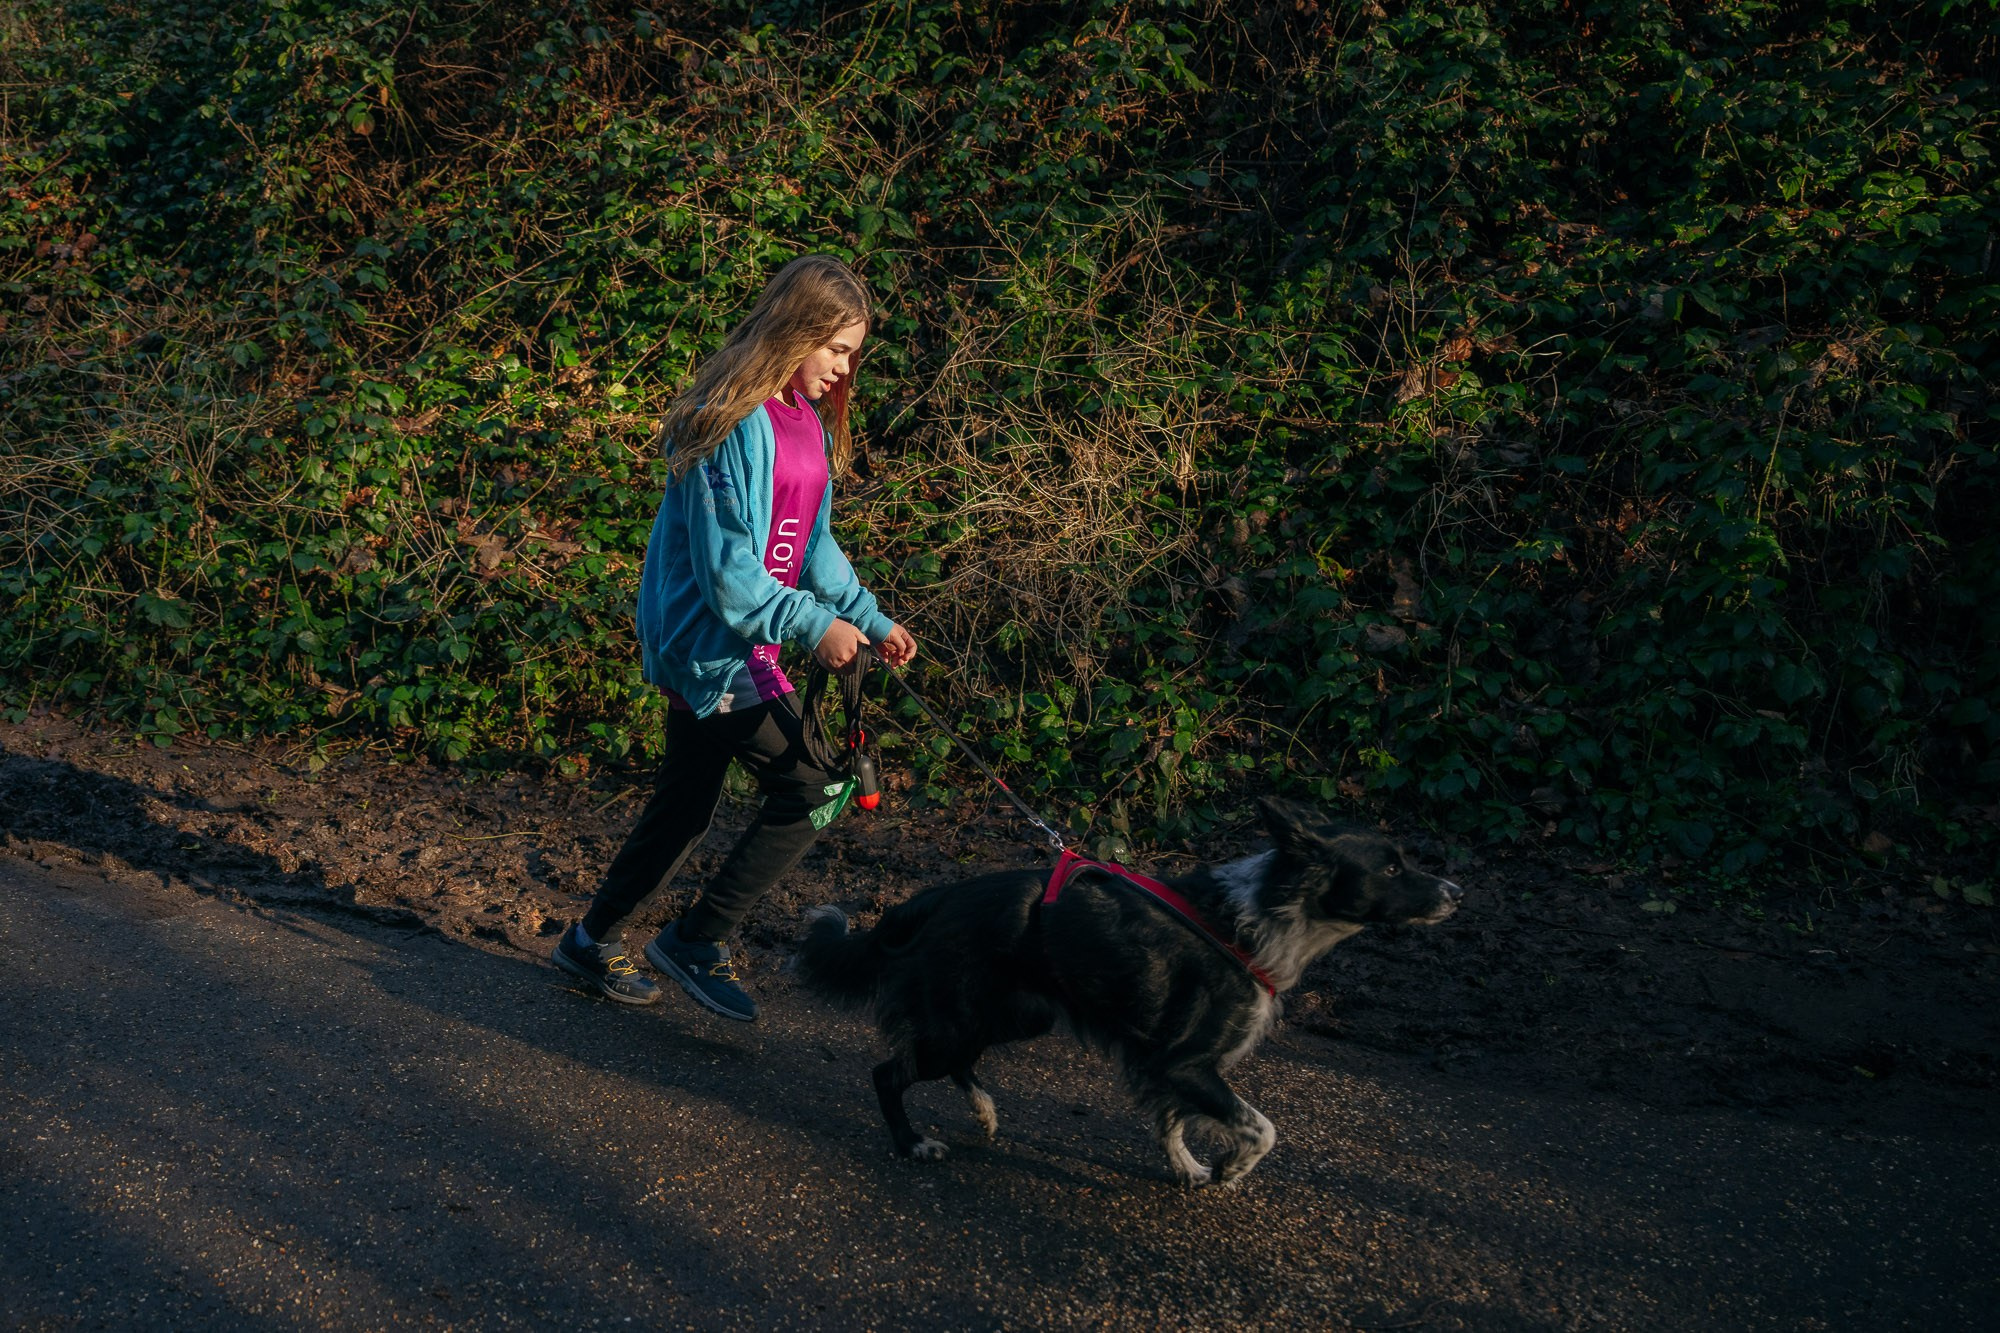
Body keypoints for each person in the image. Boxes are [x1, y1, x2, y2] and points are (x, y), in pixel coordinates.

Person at [551, 254, 916, 1022]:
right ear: (799, 329)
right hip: (712, 646)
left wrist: (870, 617)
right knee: (819, 787)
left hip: (749, 642)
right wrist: (814, 625)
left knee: (684, 808)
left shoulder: (805, 423)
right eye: (839, 349)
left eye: (854, 353)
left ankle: (588, 940)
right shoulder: (730, 422)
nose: (846, 368)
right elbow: (729, 574)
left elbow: (813, 547)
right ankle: (696, 939)